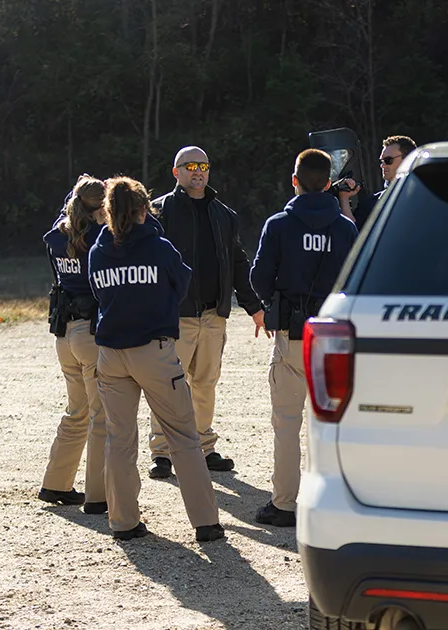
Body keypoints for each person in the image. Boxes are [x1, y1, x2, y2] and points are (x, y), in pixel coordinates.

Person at [87, 175, 225, 542]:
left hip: (111, 354)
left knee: (119, 439)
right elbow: (182, 286)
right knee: (183, 434)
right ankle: (206, 523)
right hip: (154, 351)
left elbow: (98, 296)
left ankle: (123, 522)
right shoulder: (159, 247)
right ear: (143, 210)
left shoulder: (98, 251)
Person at [249, 149, 358, 527]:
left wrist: (274, 304)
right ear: (329, 184)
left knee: (286, 423)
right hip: (333, 335)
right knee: (333, 424)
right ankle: (335, 502)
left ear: (294, 180)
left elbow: (259, 276)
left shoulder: (279, 224)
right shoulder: (345, 228)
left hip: (292, 334)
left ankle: (284, 504)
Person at [144, 146, 266, 480]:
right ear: (176, 172)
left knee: (206, 382)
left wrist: (254, 307)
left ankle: (204, 446)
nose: (198, 172)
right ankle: (162, 453)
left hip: (214, 315)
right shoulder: (159, 212)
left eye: (204, 166)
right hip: (174, 316)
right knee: (168, 384)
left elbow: (238, 261)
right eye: (191, 166)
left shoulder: (223, 214)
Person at [37, 175, 108, 515]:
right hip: (91, 334)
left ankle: (56, 483)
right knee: (102, 417)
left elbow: (70, 208)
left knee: (77, 412)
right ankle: (99, 495)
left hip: (64, 332)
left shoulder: (57, 235)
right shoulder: (100, 238)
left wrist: (80, 191)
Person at [340, 135, 417, 232]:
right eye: (381, 161)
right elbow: (354, 233)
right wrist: (344, 198)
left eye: (388, 160)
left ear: (408, 160)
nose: (382, 165)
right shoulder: (372, 203)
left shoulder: (426, 199)